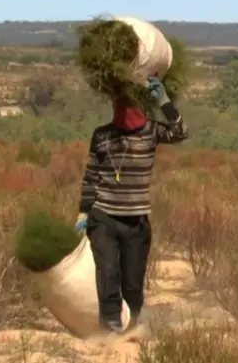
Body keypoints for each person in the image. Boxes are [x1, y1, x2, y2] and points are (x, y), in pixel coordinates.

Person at [74, 76, 188, 333]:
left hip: (136, 221)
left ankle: (132, 325)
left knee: (133, 283)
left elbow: (180, 132)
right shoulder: (102, 135)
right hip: (103, 217)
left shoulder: (151, 131)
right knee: (108, 274)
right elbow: (91, 175)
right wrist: (83, 212)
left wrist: (165, 103)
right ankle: (110, 331)